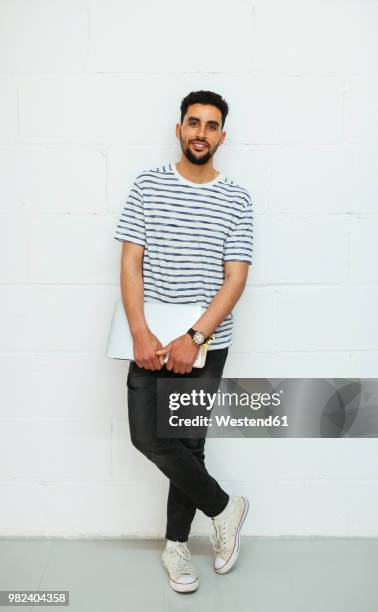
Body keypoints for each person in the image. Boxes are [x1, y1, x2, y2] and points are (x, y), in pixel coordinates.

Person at [113, 90, 254, 593]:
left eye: (211, 125)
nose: (201, 132)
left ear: (222, 135)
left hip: (205, 344)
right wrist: (140, 332)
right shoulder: (147, 185)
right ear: (179, 129)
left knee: (187, 445)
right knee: (148, 437)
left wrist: (195, 337)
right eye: (192, 122)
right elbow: (132, 260)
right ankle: (225, 507)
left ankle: (176, 546)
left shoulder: (236, 197)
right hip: (150, 340)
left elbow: (234, 278)